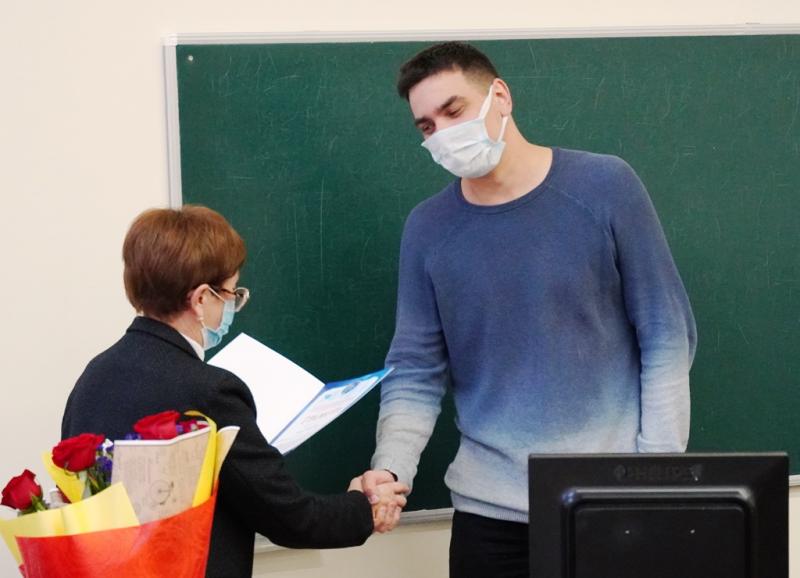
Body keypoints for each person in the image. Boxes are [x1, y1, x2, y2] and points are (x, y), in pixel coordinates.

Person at [362, 42, 697, 578]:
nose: (443, 133)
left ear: (500, 96)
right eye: (427, 126)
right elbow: (415, 369)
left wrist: (652, 474)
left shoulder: (606, 186)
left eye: (453, 110)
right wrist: (391, 468)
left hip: (608, 501)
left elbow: (666, 336)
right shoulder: (428, 228)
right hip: (487, 517)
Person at [61, 205, 408, 578]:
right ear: (200, 299)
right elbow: (289, 517)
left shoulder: (93, 376)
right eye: (231, 293)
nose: (232, 305)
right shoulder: (210, 391)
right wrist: (363, 506)